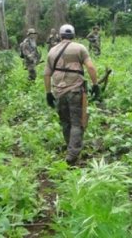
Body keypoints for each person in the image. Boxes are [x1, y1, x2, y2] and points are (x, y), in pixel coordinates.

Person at [44, 24, 100, 165]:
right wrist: (95, 84)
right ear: (73, 35)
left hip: (59, 91)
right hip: (75, 90)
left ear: (60, 35)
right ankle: (72, 154)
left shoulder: (52, 51)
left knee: (65, 122)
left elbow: (46, 74)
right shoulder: (80, 48)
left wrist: (48, 93)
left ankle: (71, 147)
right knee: (77, 122)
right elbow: (91, 67)